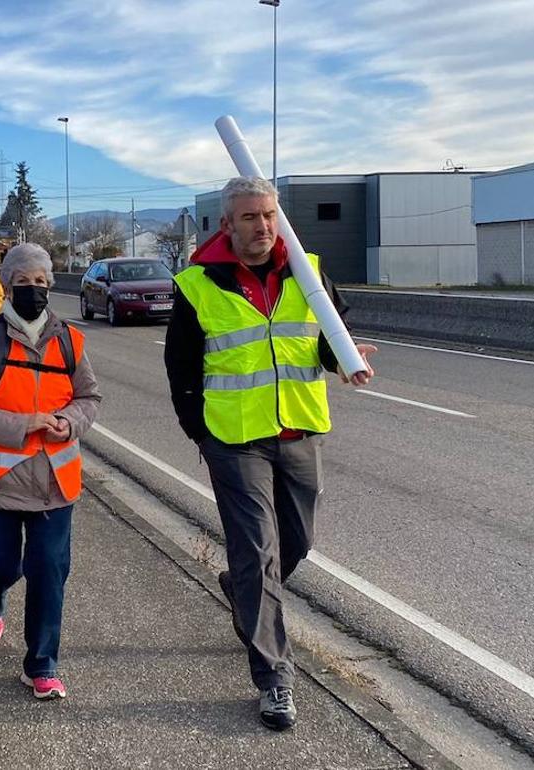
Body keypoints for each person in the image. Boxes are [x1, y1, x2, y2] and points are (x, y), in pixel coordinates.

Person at [163, 176, 376, 731]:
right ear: (227, 225)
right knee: (256, 550)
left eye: (269, 215)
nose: (262, 226)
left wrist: (344, 356)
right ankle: (274, 679)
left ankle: (241, 587)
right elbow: (182, 371)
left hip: (301, 430)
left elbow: (325, 334)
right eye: (250, 217)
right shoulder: (196, 285)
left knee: (296, 542)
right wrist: (201, 434)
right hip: (235, 441)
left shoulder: (307, 269)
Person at [0, 243, 101, 701]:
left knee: (49, 569)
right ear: (7, 285)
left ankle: (42, 665)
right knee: (0, 566)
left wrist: (69, 422)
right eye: (24, 283)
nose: (34, 290)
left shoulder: (70, 341)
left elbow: (89, 398)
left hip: (55, 482)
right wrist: (22, 425)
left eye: (41, 282)